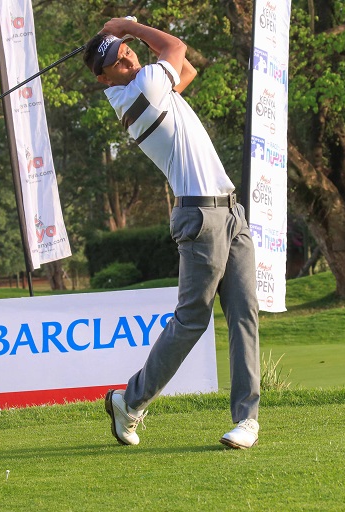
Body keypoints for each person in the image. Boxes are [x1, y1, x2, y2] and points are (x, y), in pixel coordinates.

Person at [83, 18, 260, 449]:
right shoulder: (141, 89)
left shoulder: (149, 85)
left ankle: (247, 420)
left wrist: (126, 38)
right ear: (105, 78)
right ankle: (131, 400)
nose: (125, 54)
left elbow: (187, 70)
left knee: (244, 316)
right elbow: (177, 47)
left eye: (122, 48)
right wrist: (129, 25)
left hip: (230, 210)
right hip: (200, 218)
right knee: (191, 320)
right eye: (115, 58)